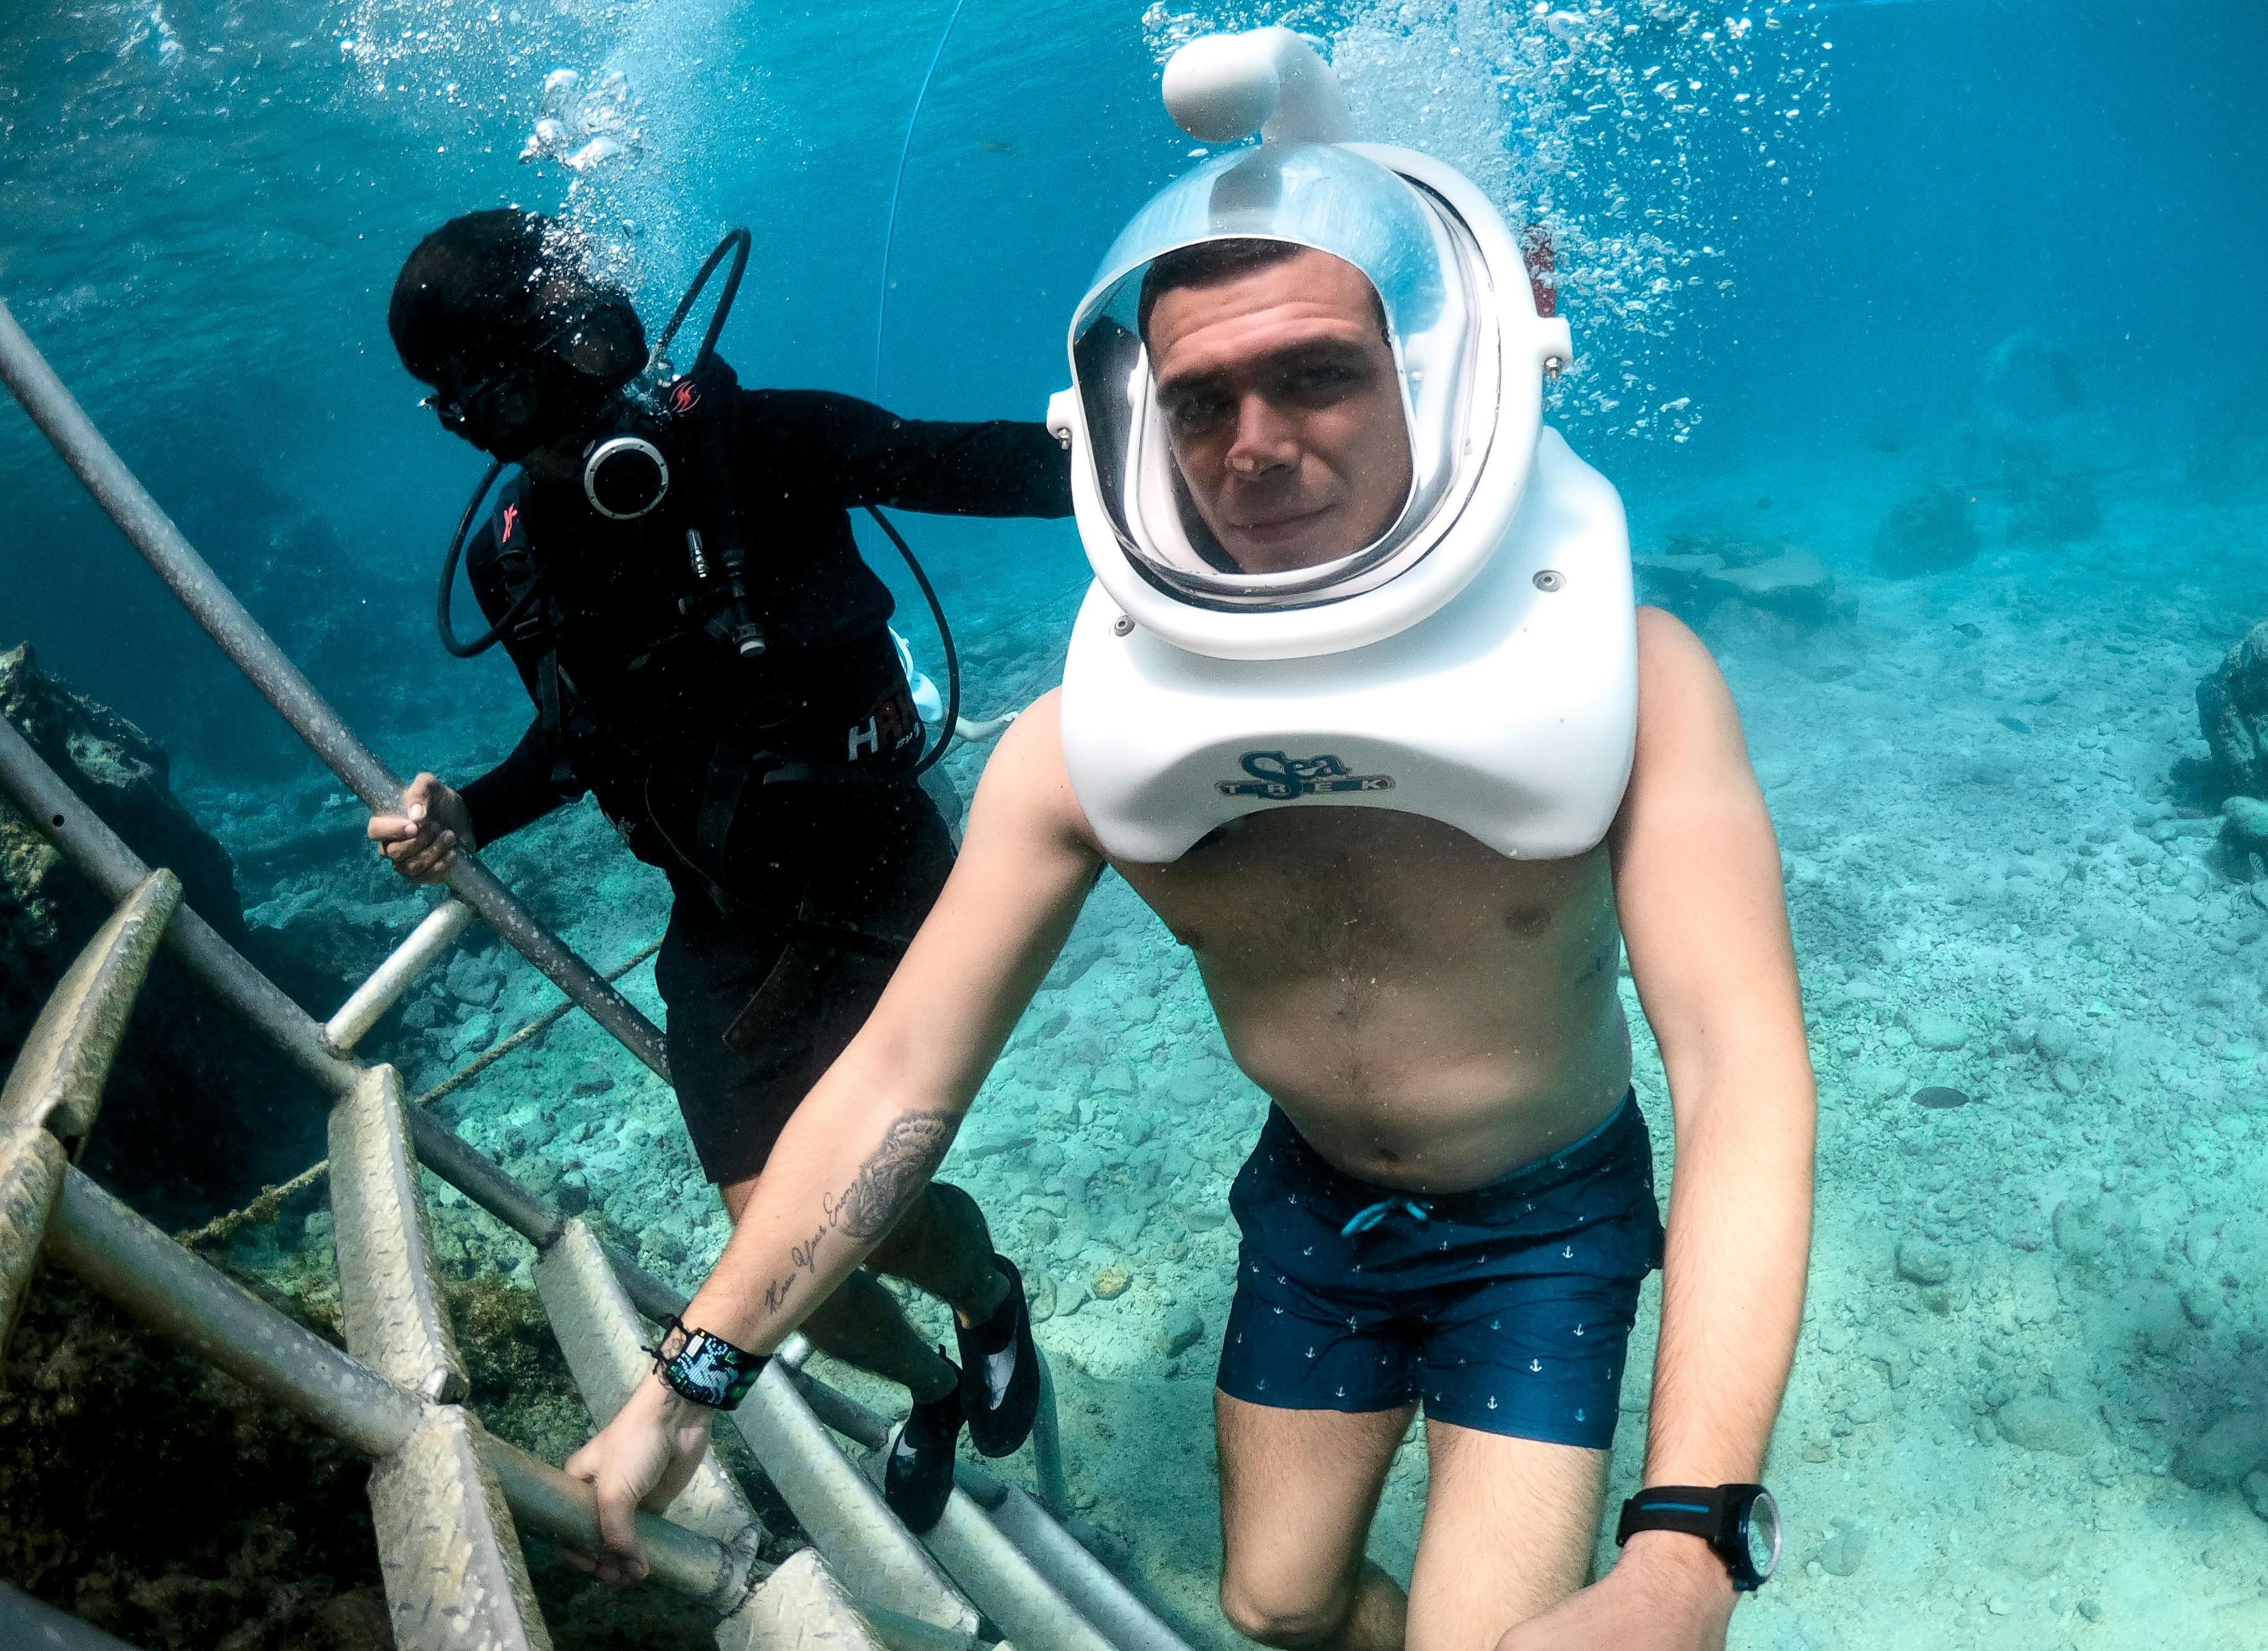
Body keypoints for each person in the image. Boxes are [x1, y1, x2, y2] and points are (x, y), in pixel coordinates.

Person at [564, 32, 1815, 1651]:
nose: (1253, 442)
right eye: (1203, 396)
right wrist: (699, 1375)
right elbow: (894, 1081)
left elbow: (1741, 1077)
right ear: (1135, 426)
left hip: (1545, 1216)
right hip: (1311, 1202)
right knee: (1274, 1603)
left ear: (1432, 381)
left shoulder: (1634, 685)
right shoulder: (1082, 748)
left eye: (1316, 373)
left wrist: (1690, 1542)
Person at [365, 207, 1065, 1531]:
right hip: (724, 913)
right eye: (517, 395)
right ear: (470, 419)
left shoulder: (765, 438)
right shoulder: (509, 551)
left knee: (871, 1195)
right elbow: (573, 742)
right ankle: (927, 1385)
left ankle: (987, 1296)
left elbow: (979, 465)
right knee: (770, 1228)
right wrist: (471, 807)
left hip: (883, 883)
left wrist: (1178, 442)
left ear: (620, 333)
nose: (570, 410)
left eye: (587, 351)